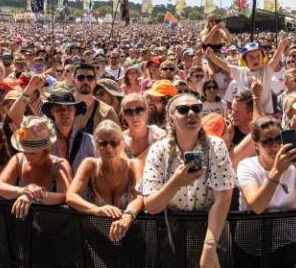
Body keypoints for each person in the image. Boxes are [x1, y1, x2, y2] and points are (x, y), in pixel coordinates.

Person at [140, 93, 234, 268]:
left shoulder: (217, 145)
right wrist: (176, 182)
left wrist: (209, 247)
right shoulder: (157, 150)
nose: (191, 113)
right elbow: (152, 206)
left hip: (211, 232)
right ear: (171, 119)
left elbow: (223, 198)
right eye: (183, 110)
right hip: (172, 238)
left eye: (196, 108)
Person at [235, 116, 296, 266]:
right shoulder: (247, 166)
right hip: (251, 247)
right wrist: (277, 171)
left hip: (286, 245)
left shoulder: (292, 166)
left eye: (278, 139)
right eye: (267, 142)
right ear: (256, 146)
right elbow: (257, 206)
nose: (275, 145)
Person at [66, 120, 145, 242]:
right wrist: (95, 210)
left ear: (123, 144)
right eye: (103, 143)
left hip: (131, 235)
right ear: (96, 146)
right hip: (97, 237)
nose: (109, 148)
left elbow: (141, 197)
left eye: (114, 142)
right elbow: (71, 196)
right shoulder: (90, 164)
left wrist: (128, 216)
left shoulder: (134, 165)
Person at [0, 116, 72, 218]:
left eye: (32, 151)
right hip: (21, 226)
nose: (26, 153)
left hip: (53, 226)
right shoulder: (18, 159)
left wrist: (34, 197)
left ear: (45, 149)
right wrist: (22, 191)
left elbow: (65, 196)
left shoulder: (59, 165)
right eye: (24, 149)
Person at [207, 35, 287, 115]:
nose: (255, 59)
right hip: (244, 115)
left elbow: (275, 59)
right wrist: (213, 58)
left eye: (258, 56)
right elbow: (226, 66)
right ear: (244, 61)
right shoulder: (240, 72)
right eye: (251, 57)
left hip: (264, 115)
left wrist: (281, 46)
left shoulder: (266, 70)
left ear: (263, 58)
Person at [41, 82, 96, 172]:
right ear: (52, 112)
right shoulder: (43, 140)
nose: (65, 112)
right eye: (59, 108)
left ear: (75, 111)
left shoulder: (89, 141)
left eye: (69, 108)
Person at [121, 92, 166, 174]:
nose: (135, 116)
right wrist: (154, 145)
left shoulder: (159, 135)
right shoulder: (119, 140)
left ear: (147, 112)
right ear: (124, 115)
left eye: (139, 110)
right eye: (129, 112)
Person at [72, 63, 119, 134]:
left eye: (90, 78)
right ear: (73, 82)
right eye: (80, 78)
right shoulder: (63, 108)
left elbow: (117, 140)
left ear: (95, 82)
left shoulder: (107, 112)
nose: (85, 81)